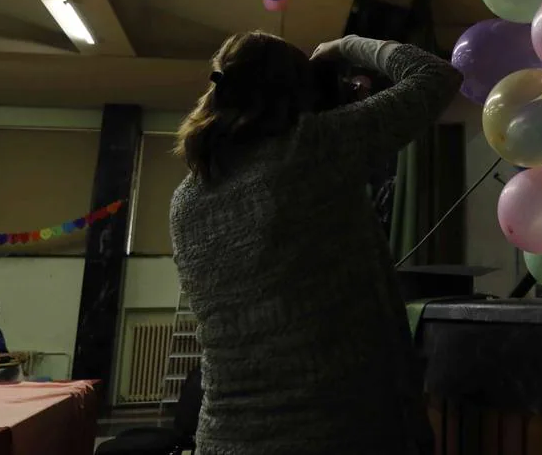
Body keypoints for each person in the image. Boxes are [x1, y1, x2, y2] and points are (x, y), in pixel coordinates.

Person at [170, 32, 461, 455]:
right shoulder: (311, 147)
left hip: (223, 437)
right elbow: (436, 75)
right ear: (298, 90)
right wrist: (344, 46)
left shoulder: (186, 198)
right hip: (340, 430)